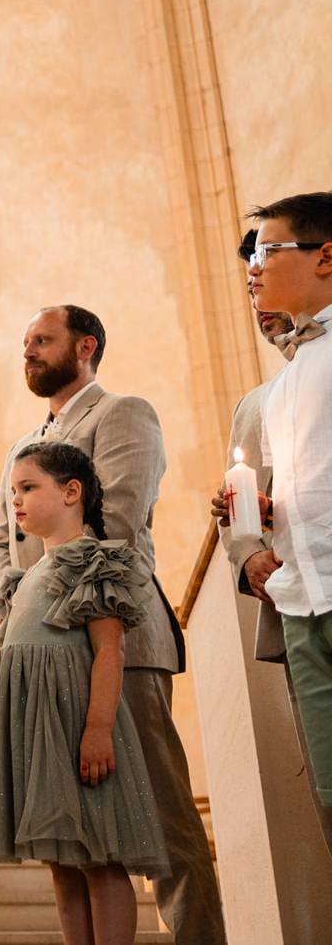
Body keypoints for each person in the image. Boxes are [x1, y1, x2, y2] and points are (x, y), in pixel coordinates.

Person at [0, 305, 222, 942]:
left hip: (118, 642)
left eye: (42, 339)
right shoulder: (22, 449)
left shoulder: (123, 414)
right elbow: (0, 544)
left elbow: (114, 523)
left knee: (163, 820)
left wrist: (55, 603)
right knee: (72, 836)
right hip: (43, 659)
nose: (28, 351)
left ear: (85, 346)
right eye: (25, 341)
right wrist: (21, 617)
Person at [0, 442, 168, 945]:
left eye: (28, 488)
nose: (16, 501)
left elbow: (109, 652)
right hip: (37, 737)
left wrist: (97, 728)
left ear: (72, 492)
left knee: (100, 858)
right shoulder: (24, 581)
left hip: (75, 730)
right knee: (62, 864)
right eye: (13, 492)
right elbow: (24, 660)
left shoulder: (91, 563)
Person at [208, 229, 332, 852]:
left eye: (264, 269)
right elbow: (244, 511)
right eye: (249, 284)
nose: (257, 298)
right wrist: (248, 543)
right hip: (293, 601)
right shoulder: (257, 404)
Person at [244, 192, 332, 812]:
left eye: (268, 250)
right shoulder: (282, 388)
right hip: (301, 603)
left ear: (326, 256)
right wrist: (265, 516)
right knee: (329, 796)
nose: (254, 265)